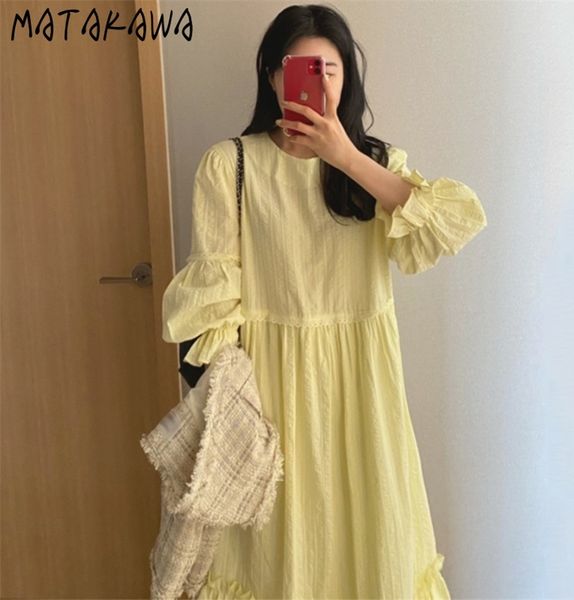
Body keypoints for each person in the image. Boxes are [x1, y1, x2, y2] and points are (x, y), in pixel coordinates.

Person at [161, 4, 487, 599]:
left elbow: (452, 224)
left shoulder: (374, 167)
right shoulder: (229, 165)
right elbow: (210, 308)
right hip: (269, 392)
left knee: (371, 541)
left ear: (346, 79)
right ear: (272, 77)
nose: (317, 82)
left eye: (329, 69)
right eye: (299, 68)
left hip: (363, 392)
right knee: (277, 556)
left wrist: (346, 156)